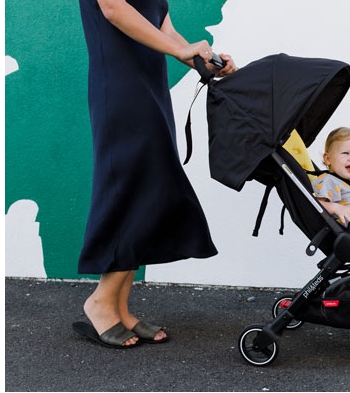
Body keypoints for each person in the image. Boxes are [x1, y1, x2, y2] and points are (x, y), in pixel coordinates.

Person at [72, 0, 238, 348]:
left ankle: (119, 307)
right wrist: (180, 51)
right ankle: (100, 302)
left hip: (148, 82)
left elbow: (160, 21)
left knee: (149, 187)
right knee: (131, 187)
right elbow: (115, 9)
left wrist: (199, 58)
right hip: (119, 85)